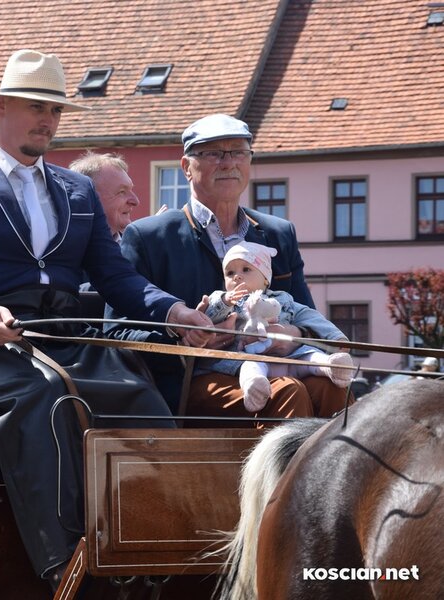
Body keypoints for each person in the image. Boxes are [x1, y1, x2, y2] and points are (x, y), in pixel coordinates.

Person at [0, 49, 213, 586]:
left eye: (54, 110)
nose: (47, 120)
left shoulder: (76, 189)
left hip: (63, 333)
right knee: (50, 396)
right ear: (1, 106)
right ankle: (67, 566)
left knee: (138, 392)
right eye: (36, 106)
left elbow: (115, 277)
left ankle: (160, 544)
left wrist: (174, 311)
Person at [107, 113, 350, 419]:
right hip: (189, 381)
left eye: (238, 152)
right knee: (286, 392)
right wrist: (185, 339)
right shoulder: (149, 237)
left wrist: (291, 334)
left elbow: (306, 314)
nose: (228, 163)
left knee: (335, 388)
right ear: (186, 167)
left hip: (278, 365)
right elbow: (115, 332)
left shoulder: (277, 233)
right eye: (213, 154)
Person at [204, 242, 353, 411]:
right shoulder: (224, 301)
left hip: (291, 357)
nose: (237, 277)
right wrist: (224, 302)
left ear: (265, 279)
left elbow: (310, 317)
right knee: (251, 368)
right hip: (248, 358)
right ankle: (255, 388)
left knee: (310, 355)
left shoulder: (282, 300)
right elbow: (208, 317)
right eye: (230, 273)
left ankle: (331, 366)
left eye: (246, 269)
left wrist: (335, 337)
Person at [68, 151, 139, 240]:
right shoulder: (62, 246)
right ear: (87, 197)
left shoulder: (134, 245)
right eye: (122, 192)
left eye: (131, 189)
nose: (135, 201)